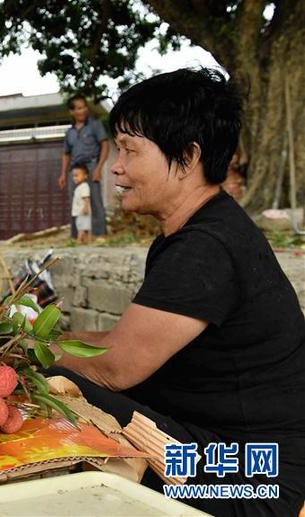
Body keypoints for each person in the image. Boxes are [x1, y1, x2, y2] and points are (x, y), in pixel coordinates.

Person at [48, 68, 305, 516]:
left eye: (130, 150)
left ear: (187, 157)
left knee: (60, 390)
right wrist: (27, 336)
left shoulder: (206, 248)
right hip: (224, 443)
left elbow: (114, 368)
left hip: (255, 479)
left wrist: (22, 352)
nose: (116, 167)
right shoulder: (195, 233)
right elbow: (116, 343)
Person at [58, 94, 109, 238]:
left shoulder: (95, 125)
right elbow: (66, 154)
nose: (83, 110)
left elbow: (105, 146)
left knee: (95, 200)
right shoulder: (69, 132)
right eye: (79, 108)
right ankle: (76, 235)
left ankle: (100, 235)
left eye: (84, 107)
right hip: (75, 169)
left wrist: (99, 168)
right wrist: (63, 174)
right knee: (75, 200)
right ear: (72, 112)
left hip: (92, 166)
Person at [70, 164, 92, 244]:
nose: (75, 178)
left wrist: (85, 208)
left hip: (83, 211)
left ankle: (79, 241)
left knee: (82, 227)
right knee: (84, 226)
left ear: (85, 176)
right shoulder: (79, 187)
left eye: (77, 175)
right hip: (80, 211)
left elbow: (86, 198)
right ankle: (87, 241)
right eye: (73, 176)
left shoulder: (84, 186)